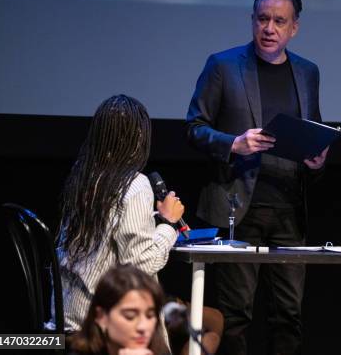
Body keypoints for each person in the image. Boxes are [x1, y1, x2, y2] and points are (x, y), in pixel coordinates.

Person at [186, 0, 327, 355]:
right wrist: (234, 143)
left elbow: (313, 129)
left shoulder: (308, 72)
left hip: (289, 211)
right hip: (238, 208)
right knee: (234, 318)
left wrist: (317, 158)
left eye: (279, 21)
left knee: (288, 316)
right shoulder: (223, 66)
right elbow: (194, 128)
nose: (269, 28)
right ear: (252, 20)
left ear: (294, 27)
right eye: (263, 19)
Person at [57, 94, 223, 354]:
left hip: (67, 314)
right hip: (106, 320)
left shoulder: (83, 177)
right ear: (138, 140)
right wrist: (168, 223)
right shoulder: (133, 184)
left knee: (207, 322)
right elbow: (141, 264)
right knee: (208, 326)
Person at [68, 264, 169, 355]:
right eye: (130, 316)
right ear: (101, 316)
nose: (143, 327)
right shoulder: (77, 349)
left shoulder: (160, 350)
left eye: (150, 316)